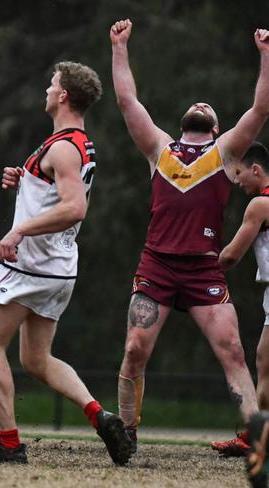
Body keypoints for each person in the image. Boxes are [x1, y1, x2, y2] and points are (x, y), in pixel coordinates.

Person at [110, 19, 269, 454]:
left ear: (218, 130)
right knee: (134, 350)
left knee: (233, 351)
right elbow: (127, 101)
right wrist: (119, 47)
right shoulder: (160, 148)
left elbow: (260, 110)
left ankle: (257, 438)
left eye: (209, 108)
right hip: (156, 263)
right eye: (197, 105)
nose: (201, 104)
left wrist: (266, 55)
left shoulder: (225, 154)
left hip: (203, 268)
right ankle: (127, 435)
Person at [0, 62, 131, 465]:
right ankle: (99, 415)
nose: (46, 89)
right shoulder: (75, 143)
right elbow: (58, 193)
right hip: (59, 267)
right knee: (35, 359)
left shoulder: (63, 147)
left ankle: (7, 443)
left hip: (31, 266)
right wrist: (25, 181)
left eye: (51, 84)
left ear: (64, 96)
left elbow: (74, 208)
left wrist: (18, 231)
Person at [212, 143, 269, 463]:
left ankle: (257, 437)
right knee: (264, 359)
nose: (238, 182)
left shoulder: (260, 204)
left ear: (256, 169)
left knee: (265, 364)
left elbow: (232, 255)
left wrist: (201, 268)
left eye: (240, 175)